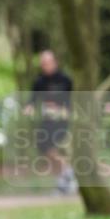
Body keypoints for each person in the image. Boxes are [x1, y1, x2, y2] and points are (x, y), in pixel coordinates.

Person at [28, 50, 75, 194]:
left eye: (47, 63)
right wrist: (29, 106)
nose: (45, 66)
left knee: (56, 146)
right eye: (43, 63)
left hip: (62, 120)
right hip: (47, 119)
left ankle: (65, 177)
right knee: (44, 147)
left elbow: (73, 99)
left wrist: (64, 109)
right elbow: (33, 98)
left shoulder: (65, 79)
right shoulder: (40, 81)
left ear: (54, 62)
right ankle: (65, 175)